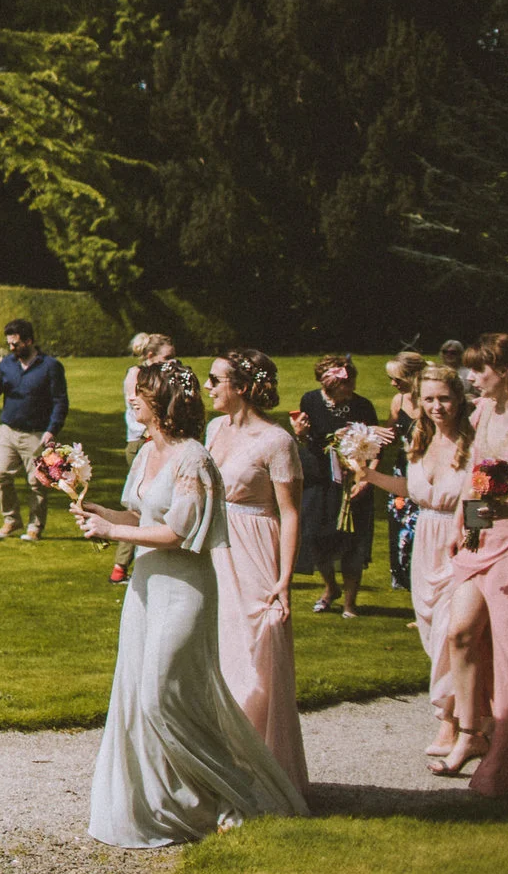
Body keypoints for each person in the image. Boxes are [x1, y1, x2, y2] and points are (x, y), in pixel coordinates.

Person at [71, 360, 307, 845]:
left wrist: (115, 530)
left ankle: (241, 792)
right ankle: (177, 801)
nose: (131, 400)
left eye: (139, 393)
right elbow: (139, 513)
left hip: (185, 589)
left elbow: (179, 532)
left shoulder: (193, 457)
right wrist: (101, 512)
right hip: (145, 588)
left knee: (164, 698)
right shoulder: (147, 454)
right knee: (141, 695)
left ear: (161, 403)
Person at [349, 365, 472, 762]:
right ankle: (467, 713)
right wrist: (369, 475)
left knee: (453, 633)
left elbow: (483, 496)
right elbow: (414, 491)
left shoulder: (475, 441)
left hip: (463, 543)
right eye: (429, 399)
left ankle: (449, 721)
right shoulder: (419, 440)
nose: (437, 407)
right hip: (426, 542)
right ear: (418, 402)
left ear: (459, 399)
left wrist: (470, 533)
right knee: (431, 626)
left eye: (445, 398)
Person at [204, 349, 307, 795]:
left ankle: (261, 771)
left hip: (255, 550)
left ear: (241, 387)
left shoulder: (277, 441)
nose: (207, 387)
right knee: (216, 651)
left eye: (215, 380)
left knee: (255, 658)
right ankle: (221, 765)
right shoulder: (213, 429)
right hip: (214, 550)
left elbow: (290, 514)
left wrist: (284, 580)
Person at [430, 332, 508, 788]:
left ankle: (506, 750)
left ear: (503, 371)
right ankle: (469, 733)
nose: (472, 378)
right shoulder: (484, 413)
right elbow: (475, 473)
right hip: (480, 536)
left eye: (479, 370)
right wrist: (460, 522)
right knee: (459, 631)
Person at [290, 354, 379, 617]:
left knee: (353, 541)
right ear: (328, 384)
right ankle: (331, 587)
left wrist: (367, 479)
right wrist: (300, 433)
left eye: (351, 383)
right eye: (344, 385)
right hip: (319, 479)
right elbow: (309, 441)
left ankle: (350, 603)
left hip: (353, 479)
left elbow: (377, 449)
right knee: (316, 538)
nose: (350, 390)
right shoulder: (310, 401)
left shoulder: (363, 406)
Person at [0, 319, 69, 542]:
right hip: (8, 431)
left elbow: (60, 402)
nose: (12, 348)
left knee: (37, 482)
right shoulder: (7, 364)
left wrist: (52, 430)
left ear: (29, 341)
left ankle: (35, 526)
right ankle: (11, 520)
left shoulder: (50, 367)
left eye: (16, 344)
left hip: (36, 433)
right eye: (10, 344)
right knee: (1, 474)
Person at [112, 333, 179, 582]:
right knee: (141, 508)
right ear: (150, 356)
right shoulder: (136, 375)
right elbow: (140, 409)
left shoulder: (162, 376)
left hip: (158, 440)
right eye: (167, 358)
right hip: (142, 441)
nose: (172, 363)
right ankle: (121, 566)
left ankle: (127, 565)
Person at [383, 352, 429, 592]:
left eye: (397, 378)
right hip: (403, 472)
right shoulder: (398, 401)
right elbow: (389, 435)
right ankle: (412, 593)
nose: (393, 383)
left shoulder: (432, 401)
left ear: (414, 376)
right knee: (402, 533)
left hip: (427, 470)